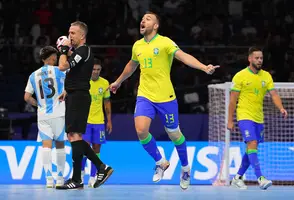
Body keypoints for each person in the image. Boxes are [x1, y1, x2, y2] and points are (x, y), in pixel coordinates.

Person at [108, 11, 219, 190]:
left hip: (166, 97)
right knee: (141, 130)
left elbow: (183, 56)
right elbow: (131, 65)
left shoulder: (165, 42)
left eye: (148, 19)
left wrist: (203, 67)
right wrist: (118, 82)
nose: (143, 21)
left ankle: (185, 168)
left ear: (156, 26)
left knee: (174, 134)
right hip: (145, 95)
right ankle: (161, 161)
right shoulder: (137, 45)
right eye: (142, 19)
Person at [56, 21, 113, 190]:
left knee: (74, 136)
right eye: (68, 32)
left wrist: (64, 50)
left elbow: (62, 66)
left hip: (79, 97)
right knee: (73, 137)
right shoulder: (79, 52)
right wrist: (67, 90)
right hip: (74, 95)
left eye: (73, 33)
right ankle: (86, 175)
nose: (69, 36)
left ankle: (94, 171)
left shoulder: (84, 50)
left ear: (82, 36)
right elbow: (77, 73)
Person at [228, 46, 288, 190]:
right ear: (249, 59)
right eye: (257, 58)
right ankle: (260, 178)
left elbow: (273, 94)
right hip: (244, 116)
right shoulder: (240, 76)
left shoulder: (266, 76)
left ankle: (237, 178)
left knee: (251, 149)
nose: (259, 60)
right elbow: (232, 101)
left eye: (261, 58)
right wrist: (230, 120)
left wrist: (281, 108)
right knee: (252, 143)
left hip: (259, 118)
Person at [24, 46, 66, 188]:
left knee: (46, 146)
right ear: (53, 57)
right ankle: (60, 178)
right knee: (60, 144)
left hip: (43, 115)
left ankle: (48, 178)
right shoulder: (60, 71)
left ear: (42, 59)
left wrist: (38, 105)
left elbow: (27, 97)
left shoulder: (33, 75)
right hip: (59, 113)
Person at [81, 58, 112, 187]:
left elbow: (107, 103)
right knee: (84, 149)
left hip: (99, 121)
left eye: (98, 70)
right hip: (85, 121)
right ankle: (81, 175)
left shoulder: (105, 83)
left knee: (96, 150)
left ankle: (93, 177)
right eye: (94, 69)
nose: (96, 72)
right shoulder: (83, 82)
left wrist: (109, 121)